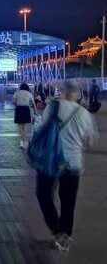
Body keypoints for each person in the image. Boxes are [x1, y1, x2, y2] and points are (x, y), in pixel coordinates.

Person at [36, 79, 98, 251]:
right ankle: (65, 237)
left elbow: (41, 129)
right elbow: (90, 142)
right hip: (73, 163)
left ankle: (56, 229)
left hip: (51, 161)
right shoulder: (85, 114)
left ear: (62, 91)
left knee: (43, 194)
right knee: (68, 201)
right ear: (77, 94)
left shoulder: (53, 107)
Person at [12, 83, 37, 148]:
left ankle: (23, 141)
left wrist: (18, 102)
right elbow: (33, 103)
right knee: (24, 127)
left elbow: (13, 102)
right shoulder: (29, 93)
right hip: (26, 109)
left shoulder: (17, 93)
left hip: (19, 109)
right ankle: (23, 141)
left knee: (20, 126)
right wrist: (36, 111)